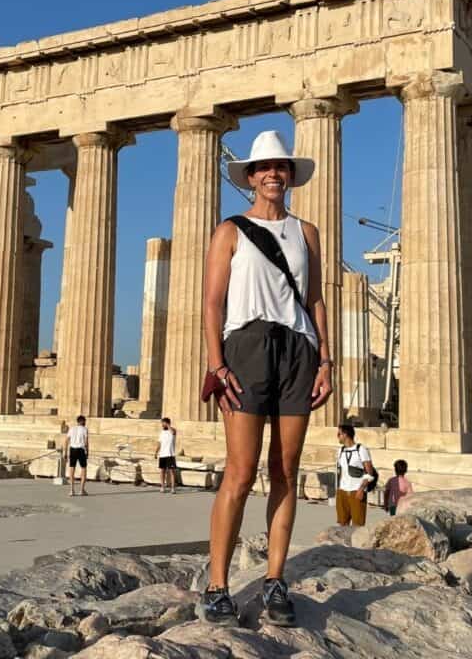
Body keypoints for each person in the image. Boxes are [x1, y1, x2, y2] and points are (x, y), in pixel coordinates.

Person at [197, 130, 333, 628]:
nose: (273, 174)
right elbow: (212, 302)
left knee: (286, 469)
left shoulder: (307, 232)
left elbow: (315, 299)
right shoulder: (229, 230)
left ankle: (276, 580)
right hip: (246, 348)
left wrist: (326, 359)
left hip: (298, 349)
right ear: (251, 177)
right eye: (264, 168)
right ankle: (217, 585)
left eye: (282, 167)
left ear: (290, 176)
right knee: (239, 470)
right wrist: (217, 364)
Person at [335, 424, 375, 526]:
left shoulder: (361, 449)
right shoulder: (340, 451)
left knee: (358, 524)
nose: (337, 436)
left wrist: (361, 489)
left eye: (339, 433)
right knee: (342, 524)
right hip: (342, 491)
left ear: (345, 434)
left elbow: (370, 472)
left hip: (356, 491)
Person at [65, 415, 89, 497]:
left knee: (72, 469)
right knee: (84, 469)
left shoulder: (72, 429)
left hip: (72, 449)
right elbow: (86, 442)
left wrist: (65, 452)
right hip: (81, 449)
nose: (85, 423)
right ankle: (82, 490)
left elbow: (66, 441)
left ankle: (72, 490)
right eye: (84, 421)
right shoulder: (85, 429)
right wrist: (87, 452)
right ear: (82, 421)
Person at [155, 417, 178, 494]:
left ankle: (173, 488)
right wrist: (156, 452)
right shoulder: (162, 432)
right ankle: (162, 486)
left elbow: (173, 432)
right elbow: (159, 443)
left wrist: (168, 426)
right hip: (162, 454)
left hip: (170, 454)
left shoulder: (173, 431)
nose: (162, 424)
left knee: (172, 471)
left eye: (163, 423)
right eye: (162, 423)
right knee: (162, 471)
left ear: (167, 423)